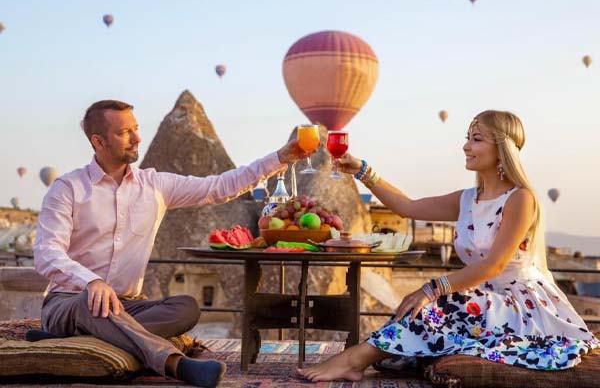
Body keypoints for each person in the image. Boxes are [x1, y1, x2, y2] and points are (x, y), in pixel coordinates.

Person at [297, 110, 599, 382]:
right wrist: (363, 171)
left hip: (519, 305)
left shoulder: (520, 199)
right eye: (467, 138)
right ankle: (358, 358)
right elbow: (407, 207)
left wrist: (432, 288)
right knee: (419, 309)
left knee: (438, 304)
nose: (466, 146)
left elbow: (494, 265)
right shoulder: (467, 199)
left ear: (502, 149)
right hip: (482, 299)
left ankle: (355, 358)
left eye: (476, 139)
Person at [33, 100, 310, 388]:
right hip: (69, 302)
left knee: (186, 307)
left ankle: (85, 341)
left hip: (128, 307)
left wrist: (280, 158)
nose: (137, 138)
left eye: (136, 129)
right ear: (98, 141)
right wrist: (91, 282)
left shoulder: (154, 186)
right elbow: (46, 252)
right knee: (92, 307)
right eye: (125, 132)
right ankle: (175, 363)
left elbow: (218, 187)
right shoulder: (67, 189)